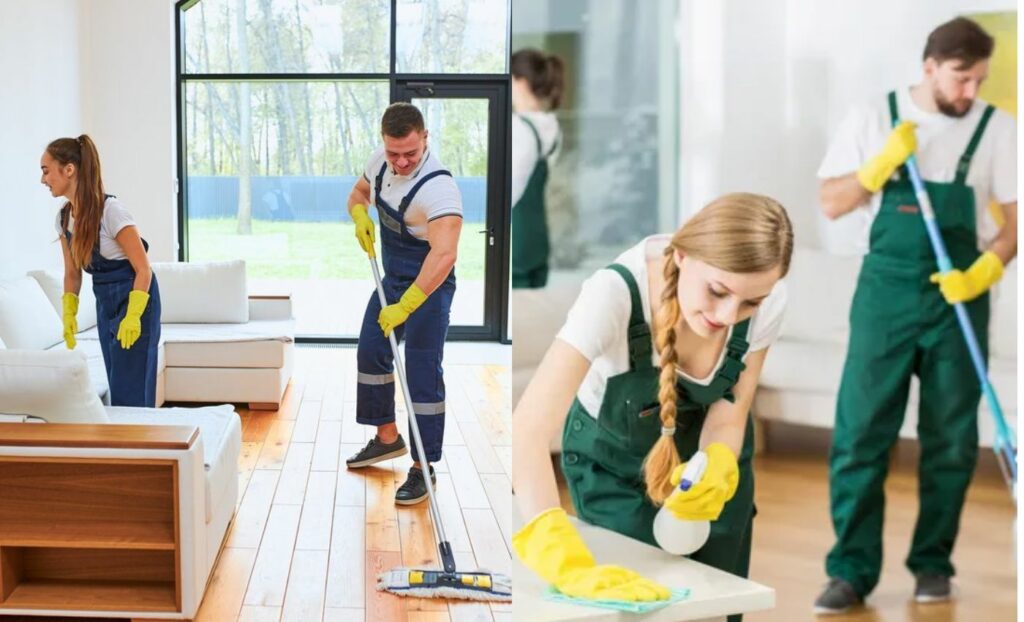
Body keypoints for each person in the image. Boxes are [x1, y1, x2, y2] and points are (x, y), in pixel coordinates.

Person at [814, 17, 1017, 614]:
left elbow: (1014, 220)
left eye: (979, 80)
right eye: (961, 78)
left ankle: (933, 564)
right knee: (859, 435)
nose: (970, 92)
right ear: (929, 67)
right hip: (886, 296)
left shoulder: (996, 128)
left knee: (951, 441)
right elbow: (830, 201)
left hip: (959, 297)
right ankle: (850, 571)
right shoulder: (874, 116)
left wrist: (986, 268)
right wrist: (875, 168)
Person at [512, 194, 792, 622]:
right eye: (718, 291)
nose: (729, 314)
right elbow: (526, 431)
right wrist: (558, 554)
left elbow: (731, 411)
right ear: (681, 254)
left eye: (750, 302)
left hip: (709, 476)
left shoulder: (767, 299)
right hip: (616, 469)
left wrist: (718, 459)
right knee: (639, 608)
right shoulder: (614, 295)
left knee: (716, 606)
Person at [343, 102, 463, 505]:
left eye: (410, 152)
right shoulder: (380, 163)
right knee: (372, 353)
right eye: (394, 152)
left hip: (429, 286)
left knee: (422, 374)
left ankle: (422, 466)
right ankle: (387, 438)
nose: (402, 161)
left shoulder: (439, 187)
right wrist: (360, 215)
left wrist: (407, 304)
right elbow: (359, 193)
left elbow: (444, 256)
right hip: (392, 279)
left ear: (425, 137)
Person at [42, 134, 162, 407]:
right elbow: (73, 273)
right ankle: (123, 447)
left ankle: (140, 446)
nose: (43, 180)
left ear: (69, 169)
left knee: (130, 390)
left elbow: (144, 269)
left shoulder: (111, 211)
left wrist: (133, 316)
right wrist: (68, 313)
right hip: (106, 304)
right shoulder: (64, 218)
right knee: (116, 381)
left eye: (46, 171)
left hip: (136, 300)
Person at [511, 47, 564, 289]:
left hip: (515, 240)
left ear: (520, 82)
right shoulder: (552, 127)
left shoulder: (518, 128)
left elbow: (510, 191)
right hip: (539, 239)